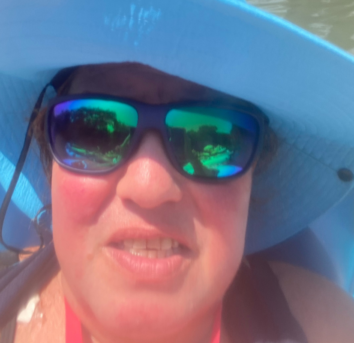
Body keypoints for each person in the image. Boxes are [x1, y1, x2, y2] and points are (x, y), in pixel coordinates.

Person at [0, 1, 354, 343]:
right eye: (95, 129)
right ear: (49, 159)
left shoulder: (329, 327)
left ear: (253, 175)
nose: (149, 187)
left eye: (211, 138)